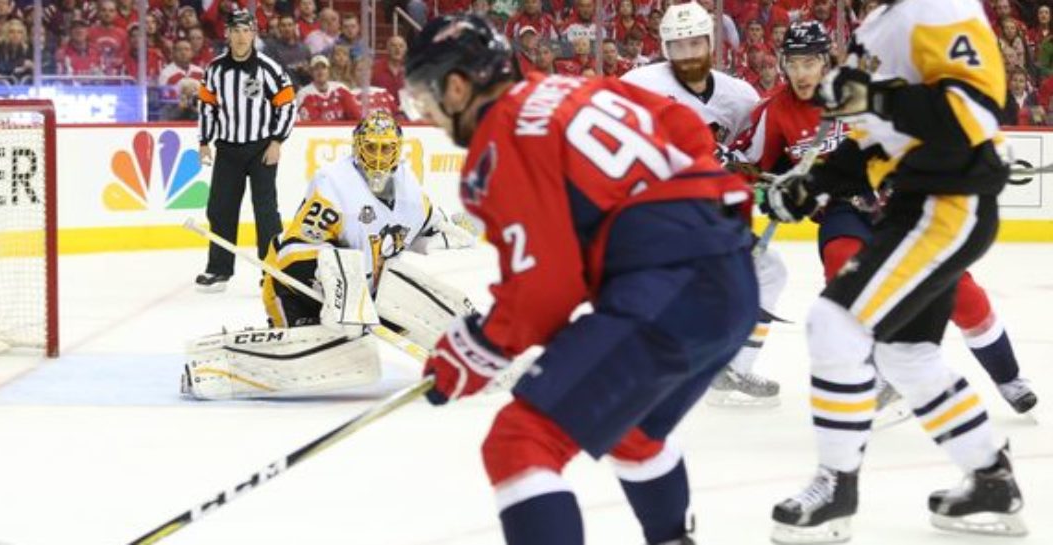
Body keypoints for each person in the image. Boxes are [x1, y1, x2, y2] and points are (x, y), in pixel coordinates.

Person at [405, 14, 758, 545]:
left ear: (457, 85)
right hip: (730, 277)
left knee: (519, 441)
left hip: (668, 290)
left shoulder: (498, 144)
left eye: (426, 98)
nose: (429, 114)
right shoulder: (574, 87)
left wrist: (477, 347)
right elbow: (684, 128)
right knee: (633, 429)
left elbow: (545, 289)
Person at [761, 0, 1027, 541]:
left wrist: (873, 96)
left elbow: (977, 111)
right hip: (913, 200)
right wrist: (811, 184)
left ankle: (837, 487)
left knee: (835, 323)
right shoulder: (876, 25)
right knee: (906, 354)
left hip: (947, 202)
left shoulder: (937, 7)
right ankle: (990, 479)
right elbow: (874, 139)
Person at [737, 21, 1039, 418]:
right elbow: (752, 165)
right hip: (841, 210)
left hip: (898, 202)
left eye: (809, 62)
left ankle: (1008, 377)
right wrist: (753, 178)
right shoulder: (775, 112)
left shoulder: (868, 91)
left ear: (827, 60)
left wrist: (974, 160)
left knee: (960, 293)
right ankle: (875, 374)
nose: (800, 73)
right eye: (792, 63)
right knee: (843, 270)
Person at [182, 112, 478, 399]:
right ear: (357, 147)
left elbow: (429, 228)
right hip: (297, 292)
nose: (378, 156)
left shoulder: (410, 193)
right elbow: (292, 252)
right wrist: (343, 294)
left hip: (366, 299)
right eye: (371, 147)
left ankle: (474, 349)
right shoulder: (334, 184)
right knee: (335, 354)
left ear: (398, 151)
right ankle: (217, 367)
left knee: (402, 289)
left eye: (386, 148)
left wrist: (460, 229)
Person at [622, 1, 783, 407]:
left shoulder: (740, 96)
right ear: (664, 48)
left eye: (695, 44)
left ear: (711, 44)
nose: (689, 55)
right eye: (678, 47)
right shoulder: (639, 84)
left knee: (769, 271)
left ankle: (734, 371)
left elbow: (753, 154)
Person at [196, 9, 298, 292]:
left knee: (266, 212)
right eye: (236, 30)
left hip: (261, 149)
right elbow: (207, 107)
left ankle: (271, 270)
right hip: (227, 149)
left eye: (246, 30)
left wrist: (277, 141)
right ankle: (218, 270)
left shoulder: (269, 68)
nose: (241, 37)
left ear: (254, 33)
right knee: (220, 209)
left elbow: (288, 106)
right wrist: (204, 141)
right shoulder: (214, 70)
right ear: (226, 34)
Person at [296, 54, 359, 121]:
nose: (320, 71)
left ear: (329, 71)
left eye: (323, 67)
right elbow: (310, 123)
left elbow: (355, 115)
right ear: (311, 72)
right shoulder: (303, 94)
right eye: (316, 68)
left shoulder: (341, 88)